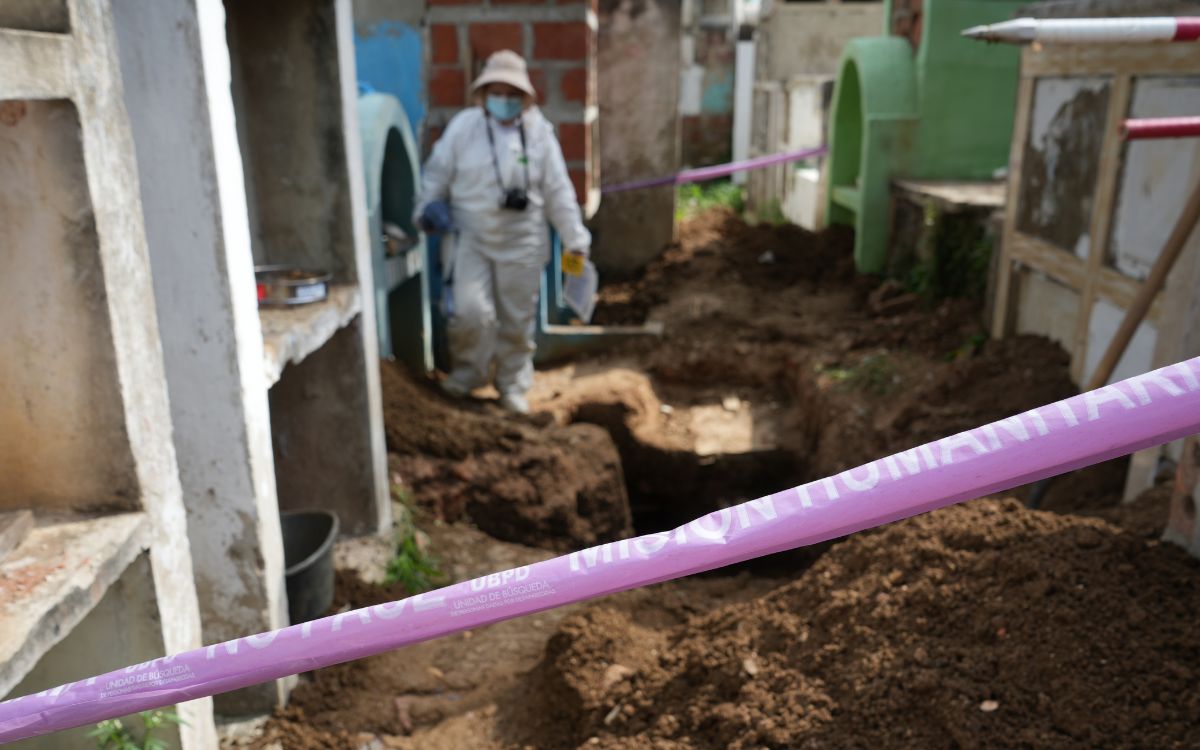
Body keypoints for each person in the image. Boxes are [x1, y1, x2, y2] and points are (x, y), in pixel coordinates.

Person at [415, 50, 591, 415]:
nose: (505, 100)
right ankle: (468, 374)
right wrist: (428, 207)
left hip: (523, 240)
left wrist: (575, 239)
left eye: (513, 94)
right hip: (470, 236)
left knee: (517, 318)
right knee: (469, 312)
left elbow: (559, 191)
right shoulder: (464, 127)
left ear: (525, 97)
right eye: (498, 92)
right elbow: (436, 175)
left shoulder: (540, 134)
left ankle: (512, 384)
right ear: (484, 93)